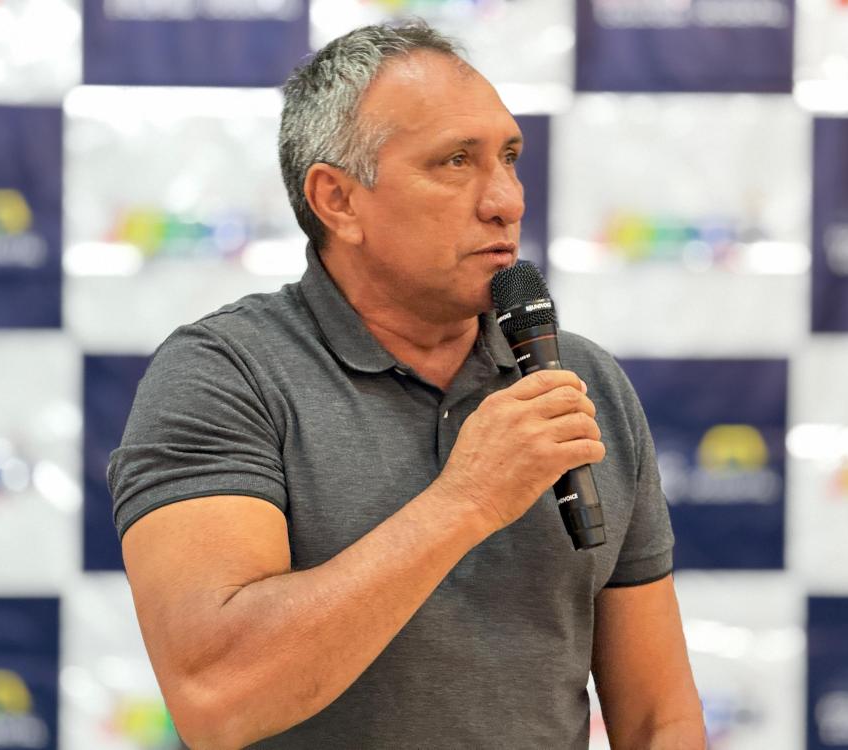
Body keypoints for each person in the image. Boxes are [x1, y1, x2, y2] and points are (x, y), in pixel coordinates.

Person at [108, 21, 706, 750]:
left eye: (509, 157)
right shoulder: (226, 374)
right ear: (338, 200)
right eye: (456, 161)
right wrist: (466, 501)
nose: (507, 200)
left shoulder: (582, 380)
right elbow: (217, 698)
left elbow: (659, 718)